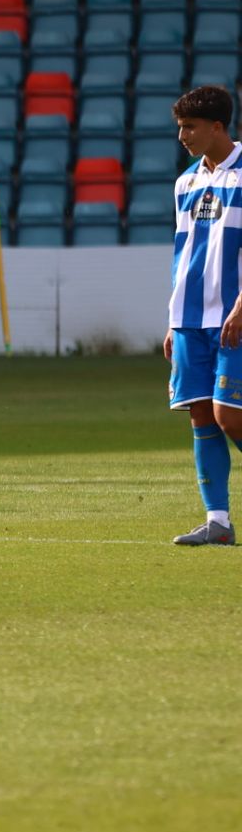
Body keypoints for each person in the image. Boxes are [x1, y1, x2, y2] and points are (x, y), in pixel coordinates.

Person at [165, 85, 242, 546]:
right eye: (179, 127)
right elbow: (182, 254)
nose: (182, 136)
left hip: (235, 317)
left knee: (229, 414)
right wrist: (171, 317)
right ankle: (218, 521)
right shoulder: (186, 182)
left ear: (218, 126)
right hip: (191, 318)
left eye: (190, 127)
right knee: (200, 414)